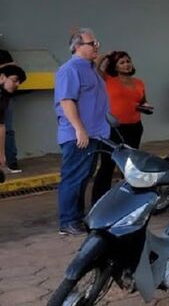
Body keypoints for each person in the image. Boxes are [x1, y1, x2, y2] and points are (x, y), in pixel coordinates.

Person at [55, 29, 110, 236]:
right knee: (73, 178)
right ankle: (67, 221)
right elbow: (67, 101)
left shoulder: (90, 68)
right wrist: (79, 129)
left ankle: (76, 218)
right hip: (79, 135)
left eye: (97, 42)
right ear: (77, 46)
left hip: (94, 133)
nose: (96, 46)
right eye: (92, 43)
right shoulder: (70, 70)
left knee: (83, 177)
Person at [91, 51, 152, 203]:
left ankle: (128, 199)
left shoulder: (139, 82)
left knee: (130, 165)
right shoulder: (108, 79)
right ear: (115, 66)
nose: (126, 64)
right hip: (113, 129)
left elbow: (142, 100)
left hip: (134, 127)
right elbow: (93, 67)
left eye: (128, 61)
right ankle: (99, 201)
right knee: (107, 165)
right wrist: (106, 55)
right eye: (122, 62)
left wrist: (145, 106)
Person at [0, 63, 26, 175]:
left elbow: (1, 127)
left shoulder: (4, 97)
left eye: (19, 82)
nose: (17, 84)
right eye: (14, 80)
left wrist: (1, 158)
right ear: (2, 77)